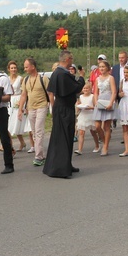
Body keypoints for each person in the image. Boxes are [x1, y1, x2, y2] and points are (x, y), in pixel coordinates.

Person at [43, 50, 85, 178]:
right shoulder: (62, 74)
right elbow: (76, 87)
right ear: (67, 59)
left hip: (60, 107)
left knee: (65, 137)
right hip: (64, 109)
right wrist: (82, 77)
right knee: (63, 137)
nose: (72, 61)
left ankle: (66, 164)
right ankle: (61, 169)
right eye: (71, 59)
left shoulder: (57, 73)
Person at [17, 58, 50, 166]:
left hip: (42, 106)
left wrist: (52, 107)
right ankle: (40, 154)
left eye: (26, 66)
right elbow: (23, 95)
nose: (24, 68)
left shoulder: (43, 78)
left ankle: (38, 156)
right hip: (31, 108)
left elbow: (50, 94)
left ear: (33, 67)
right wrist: (20, 110)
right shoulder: (26, 80)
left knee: (39, 130)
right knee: (34, 132)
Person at [92, 60, 117, 156]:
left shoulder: (111, 78)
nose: (101, 68)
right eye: (100, 67)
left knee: (106, 126)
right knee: (97, 126)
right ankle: (104, 141)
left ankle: (106, 146)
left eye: (103, 66)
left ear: (107, 68)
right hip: (100, 101)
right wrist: (96, 101)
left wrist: (111, 102)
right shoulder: (97, 79)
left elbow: (114, 91)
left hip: (108, 100)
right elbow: (95, 92)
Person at [6, 60, 29, 152]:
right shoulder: (7, 79)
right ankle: (18, 143)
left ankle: (15, 144)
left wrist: (22, 102)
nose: (13, 69)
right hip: (10, 101)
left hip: (18, 99)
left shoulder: (20, 79)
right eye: (12, 68)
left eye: (15, 68)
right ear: (9, 69)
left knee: (16, 123)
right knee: (9, 123)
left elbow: (24, 91)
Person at [74, 82, 98, 154]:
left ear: (90, 89)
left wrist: (90, 107)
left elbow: (95, 106)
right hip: (83, 115)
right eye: (84, 88)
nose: (85, 89)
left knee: (93, 132)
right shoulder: (80, 97)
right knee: (81, 132)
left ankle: (97, 145)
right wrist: (78, 106)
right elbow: (79, 107)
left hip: (90, 115)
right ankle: (80, 149)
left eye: (87, 88)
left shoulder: (92, 96)